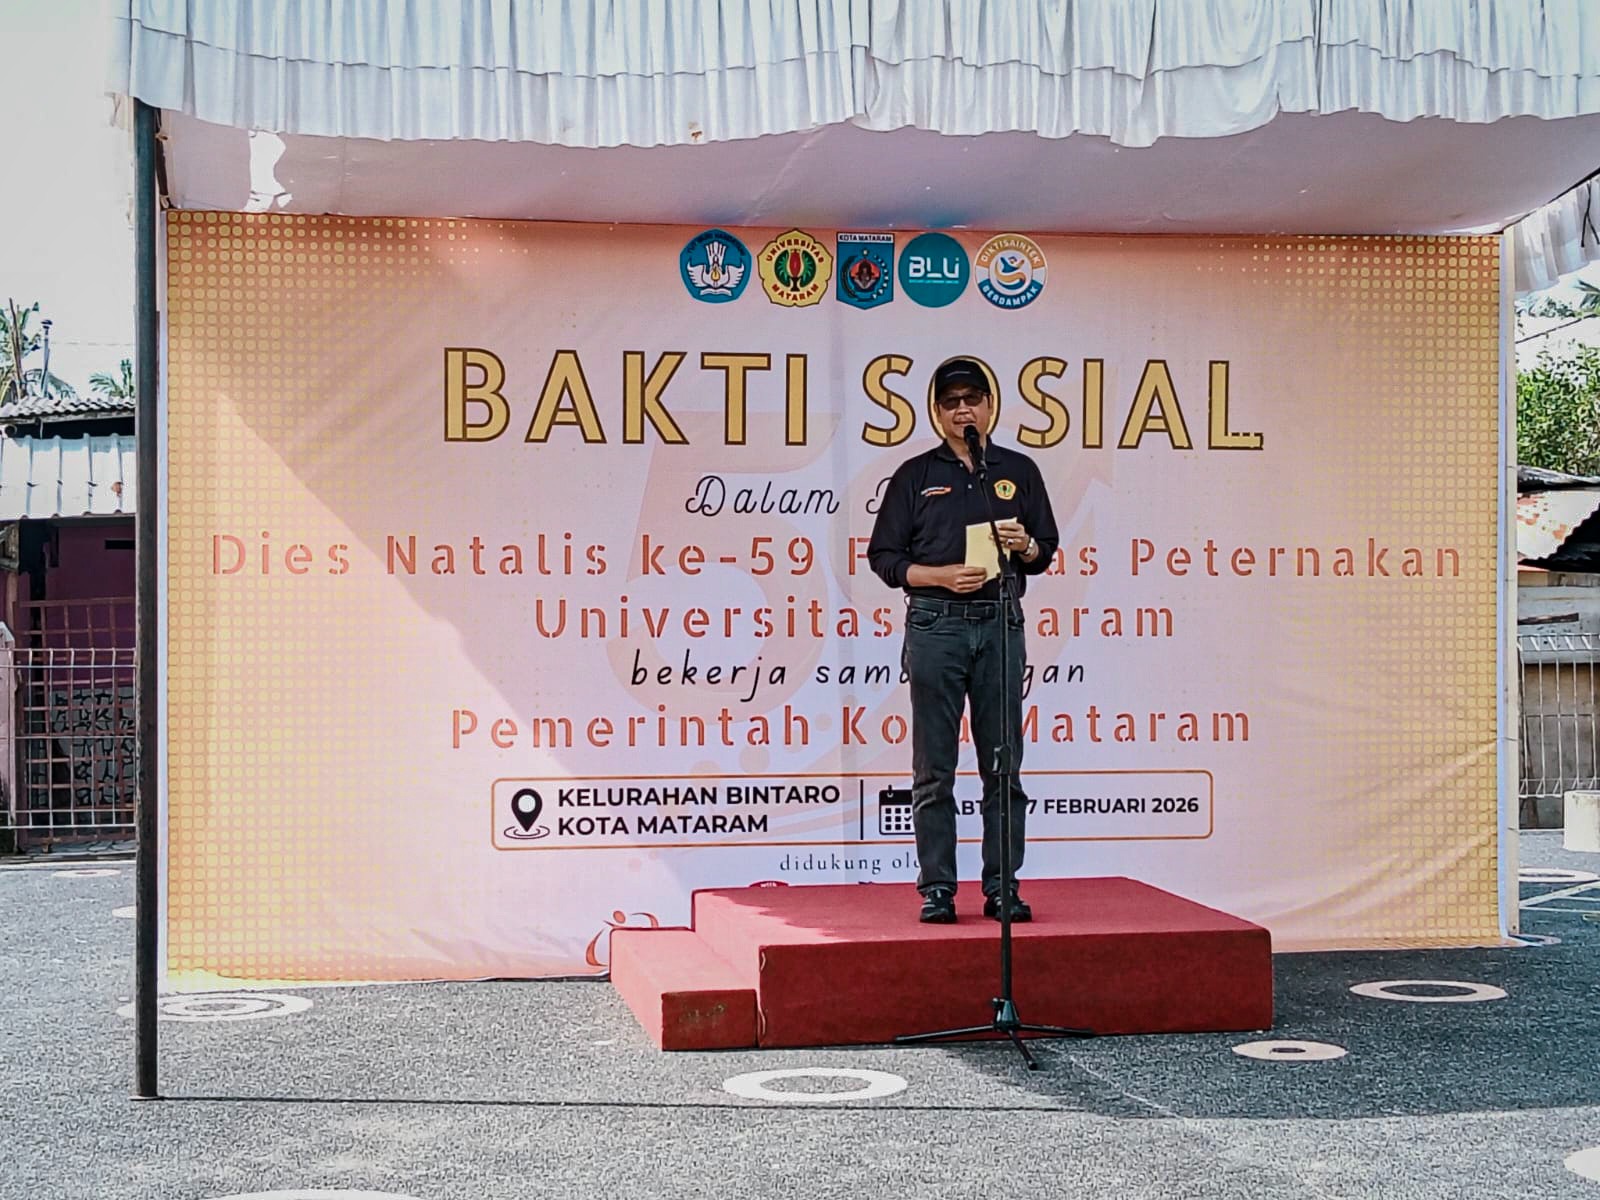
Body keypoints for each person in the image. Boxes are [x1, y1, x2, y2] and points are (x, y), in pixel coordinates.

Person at [867, 357, 1060, 923]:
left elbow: (1044, 550)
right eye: (951, 402)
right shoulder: (915, 475)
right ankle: (938, 889)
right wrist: (939, 576)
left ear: (990, 406)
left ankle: (1002, 887)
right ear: (937, 412)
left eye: (972, 399)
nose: (962, 410)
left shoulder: (1018, 470)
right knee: (935, 767)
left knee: (1003, 762)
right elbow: (884, 557)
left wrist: (1025, 546)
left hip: (1000, 620)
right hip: (937, 623)